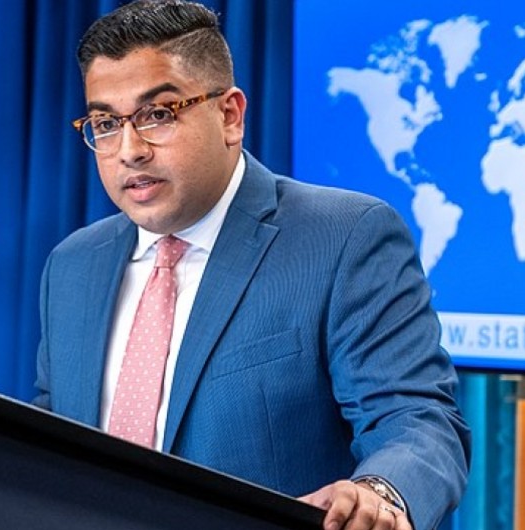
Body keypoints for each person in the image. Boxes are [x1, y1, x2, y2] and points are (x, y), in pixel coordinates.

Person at [32, 1, 470, 529]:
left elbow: (416, 419)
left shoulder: (345, 237)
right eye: (106, 123)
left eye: (158, 114)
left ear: (230, 116)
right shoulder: (73, 264)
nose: (130, 150)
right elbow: (52, 444)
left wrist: (378, 493)